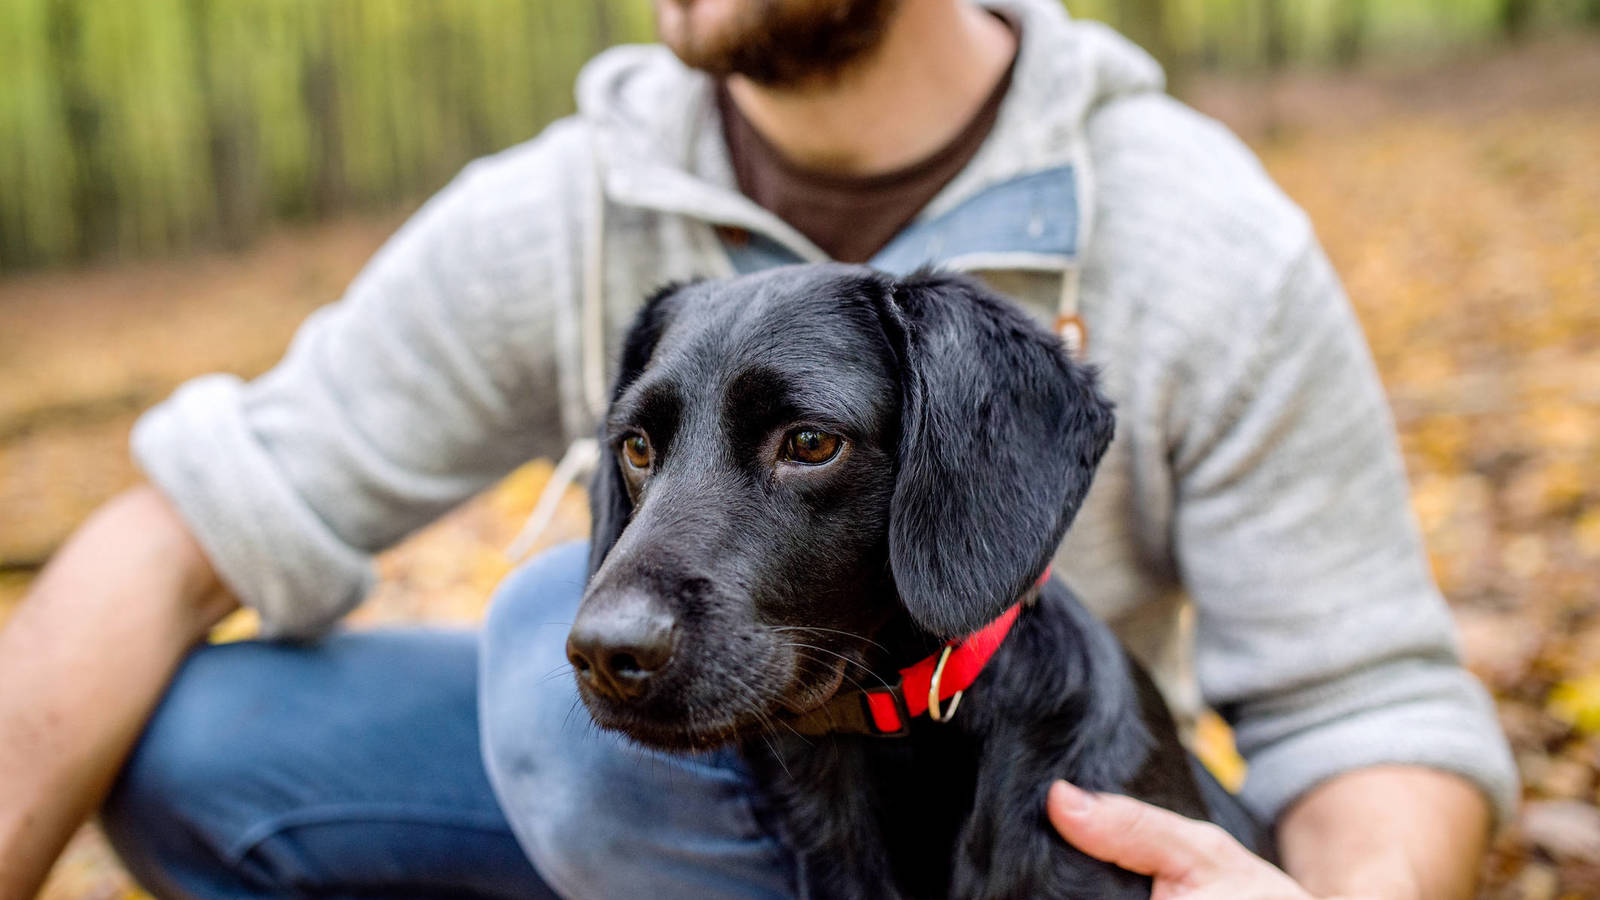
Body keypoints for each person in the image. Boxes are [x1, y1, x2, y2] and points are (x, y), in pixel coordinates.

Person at [0, 0, 1516, 897]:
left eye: (801, 438)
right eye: (641, 456)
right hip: (661, 774)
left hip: (998, 789)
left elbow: (1374, 706)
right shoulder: (561, 205)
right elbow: (183, 523)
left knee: (554, 634)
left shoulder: (1206, 237)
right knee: (231, 730)